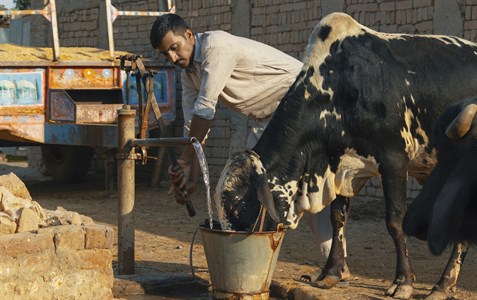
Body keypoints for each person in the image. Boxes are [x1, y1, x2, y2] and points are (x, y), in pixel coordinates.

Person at [149, 13, 340, 264]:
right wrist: (191, 180)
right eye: (166, 55)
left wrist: (185, 163)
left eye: (175, 48)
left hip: (300, 101)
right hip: (267, 119)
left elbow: (205, 112)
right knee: (277, 188)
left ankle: (327, 262)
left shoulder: (216, 47)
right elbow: (193, 132)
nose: (173, 58)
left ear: (188, 34)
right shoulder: (189, 75)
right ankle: (269, 264)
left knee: (284, 185)